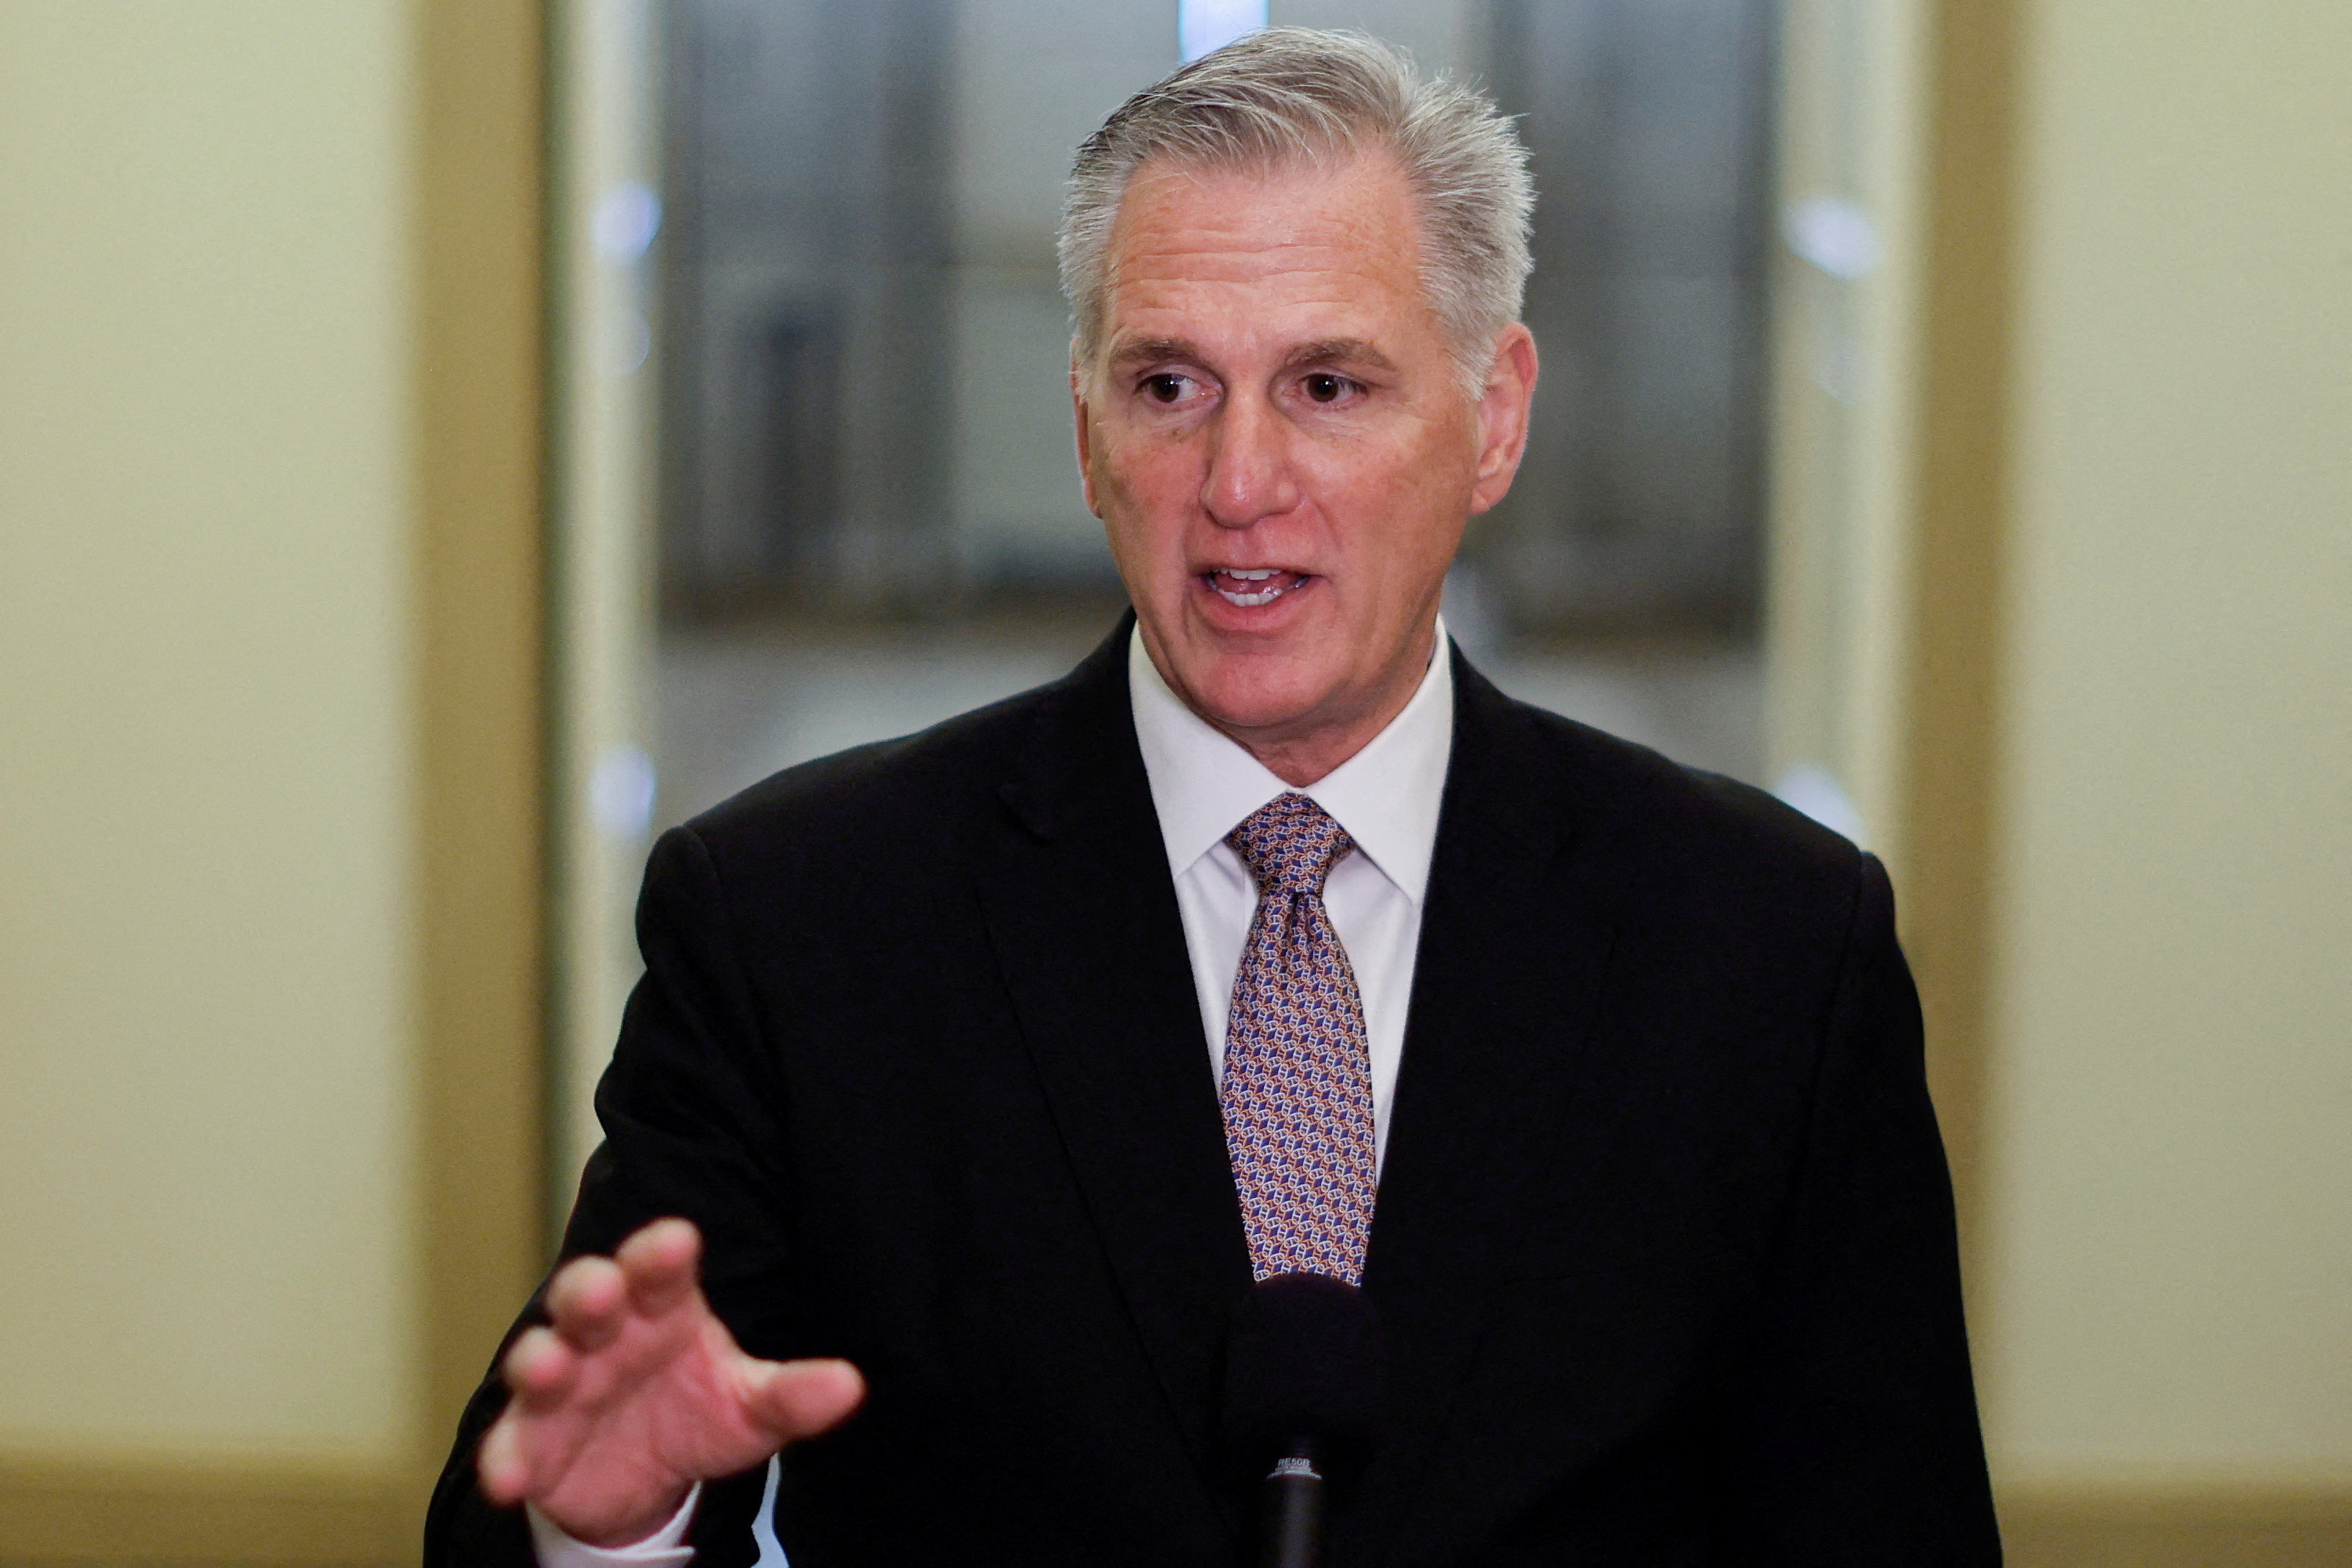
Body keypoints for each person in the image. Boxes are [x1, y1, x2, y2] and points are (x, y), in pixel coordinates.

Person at [427, 29, 1999, 1567]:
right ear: (1086, 427)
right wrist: (612, 1526)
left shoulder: (1773, 949)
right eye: (1169, 384)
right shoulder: (792, 922)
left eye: (1326, 384)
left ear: (1493, 416)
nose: (1238, 482)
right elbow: (530, 1494)